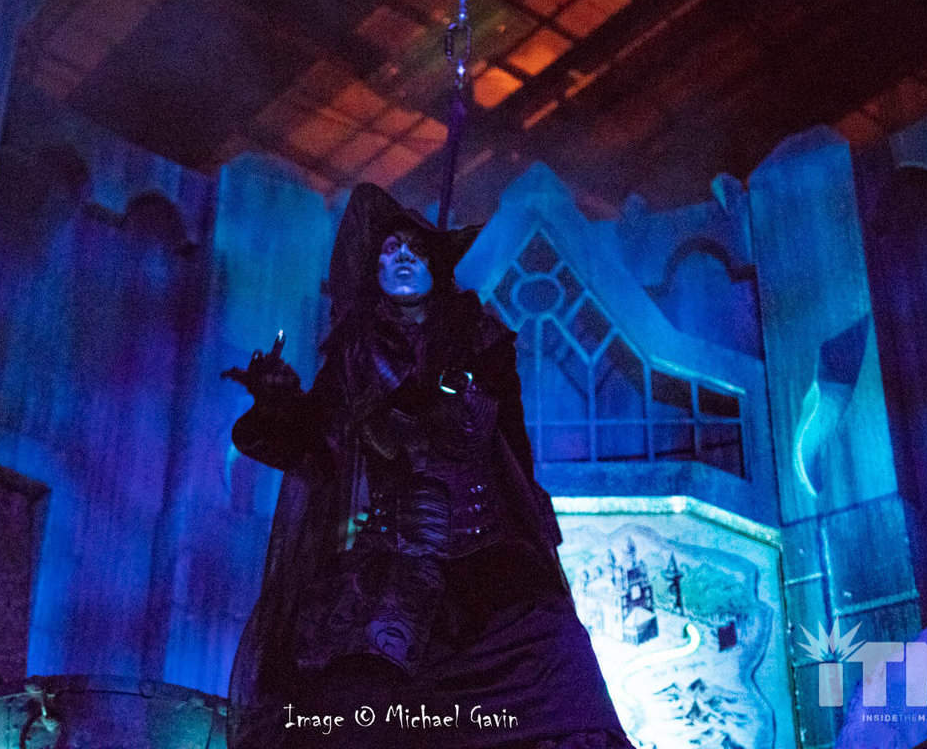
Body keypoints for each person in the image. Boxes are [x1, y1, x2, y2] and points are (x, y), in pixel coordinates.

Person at [225, 183, 634, 749]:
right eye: (389, 248)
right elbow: (312, 443)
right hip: (392, 566)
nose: (403, 256)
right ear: (373, 269)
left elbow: (511, 450)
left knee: (564, 677)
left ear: (436, 268)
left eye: (416, 249)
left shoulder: (480, 339)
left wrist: (453, 392)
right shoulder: (354, 356)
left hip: (489, 567)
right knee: (348, 708)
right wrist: (279, 400)